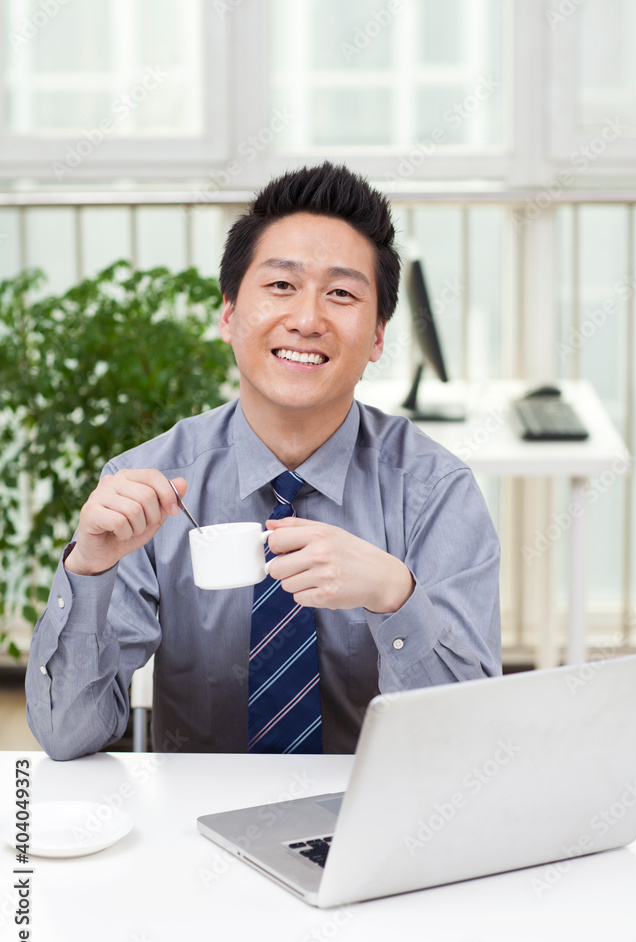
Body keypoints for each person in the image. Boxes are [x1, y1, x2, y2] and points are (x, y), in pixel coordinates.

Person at [26, 161, 501, 761]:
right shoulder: (149, 483)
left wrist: (394, 594)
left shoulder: (436, 492)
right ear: (228, 315)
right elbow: (67, 736)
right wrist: (90, 566)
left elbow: (467, 745)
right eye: (281, 286)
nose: (306, 320)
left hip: (375, 822)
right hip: (192, 825)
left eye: (342, 294)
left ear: (378, 335)